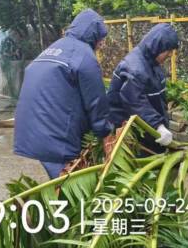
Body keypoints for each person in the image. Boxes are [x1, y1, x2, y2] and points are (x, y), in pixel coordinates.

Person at [14, 9, 114, 179]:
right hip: (55, 137)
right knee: (69, 184)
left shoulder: (56, 47)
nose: (101, 44)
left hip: (32, 130)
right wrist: (106, 134)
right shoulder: (84, 55)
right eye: (101, 39)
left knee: (59, 181)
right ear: (93, 35)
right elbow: (96, 101)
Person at [107, 23, 179, 153]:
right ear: (157, 47)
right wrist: (158, 126)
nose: (170, 55)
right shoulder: (134, 68)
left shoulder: (152, 63)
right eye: (168, 51)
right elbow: (136, 102)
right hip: (135, 137)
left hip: (148, 133)